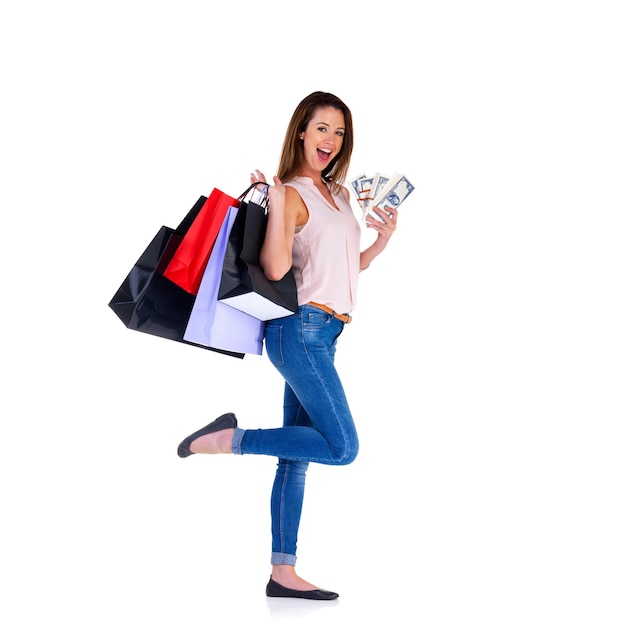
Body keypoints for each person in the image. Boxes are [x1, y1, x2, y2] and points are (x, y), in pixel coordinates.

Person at [177, 91, 398, 600]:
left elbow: (344, 266)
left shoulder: (339, 195)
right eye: (322, 128)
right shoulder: (293, 194)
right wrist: (276, 204)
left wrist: (381, 243)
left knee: (297, 458)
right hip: (298, 332)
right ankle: (226, 440)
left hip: (328, 332)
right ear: (301, 130)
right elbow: (276, 269)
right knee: (342, 448)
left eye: (339, 132)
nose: (331, 140)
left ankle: (282, 571)